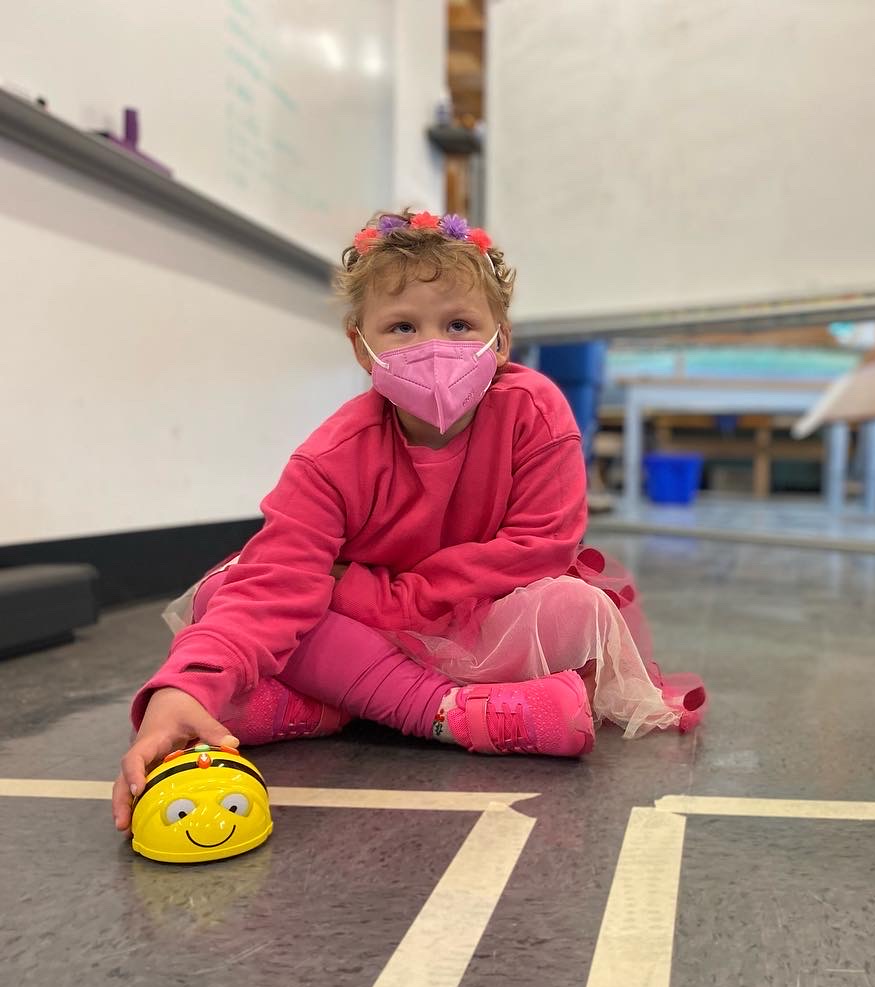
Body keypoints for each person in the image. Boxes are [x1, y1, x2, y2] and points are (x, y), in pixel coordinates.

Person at [113, 209, 706, 831]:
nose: (433, 347)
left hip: (468, 614)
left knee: (577, 609)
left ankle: (339, 704)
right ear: (361, 348)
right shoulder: (332, 456)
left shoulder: (534, 408)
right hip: (370, 631)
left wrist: (378, 595)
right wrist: (181, 691)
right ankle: (449, 712)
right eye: (402, 326)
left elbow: (538, 547)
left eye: (458, 324)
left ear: (499, 339)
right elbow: (275, 583)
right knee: (224, 595)